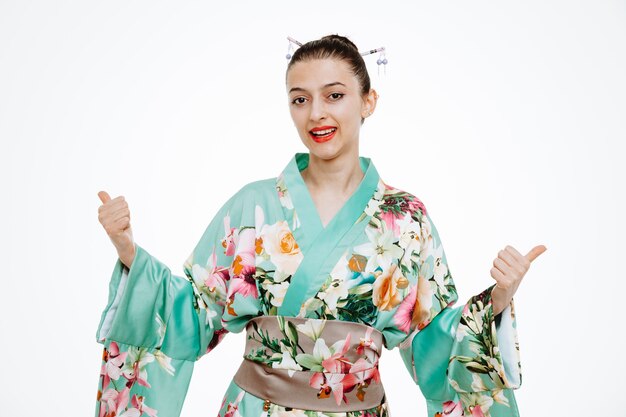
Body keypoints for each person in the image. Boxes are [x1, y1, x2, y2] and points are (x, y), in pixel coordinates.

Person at [95, 34, 545, 417]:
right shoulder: (253, 206)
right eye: (300, 99)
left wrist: (498, 301)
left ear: (368, 101)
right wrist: (129, 252)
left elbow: (433, 346)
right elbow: (192, 315)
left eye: (334, 95)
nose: (316, 114)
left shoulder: (406, 218)